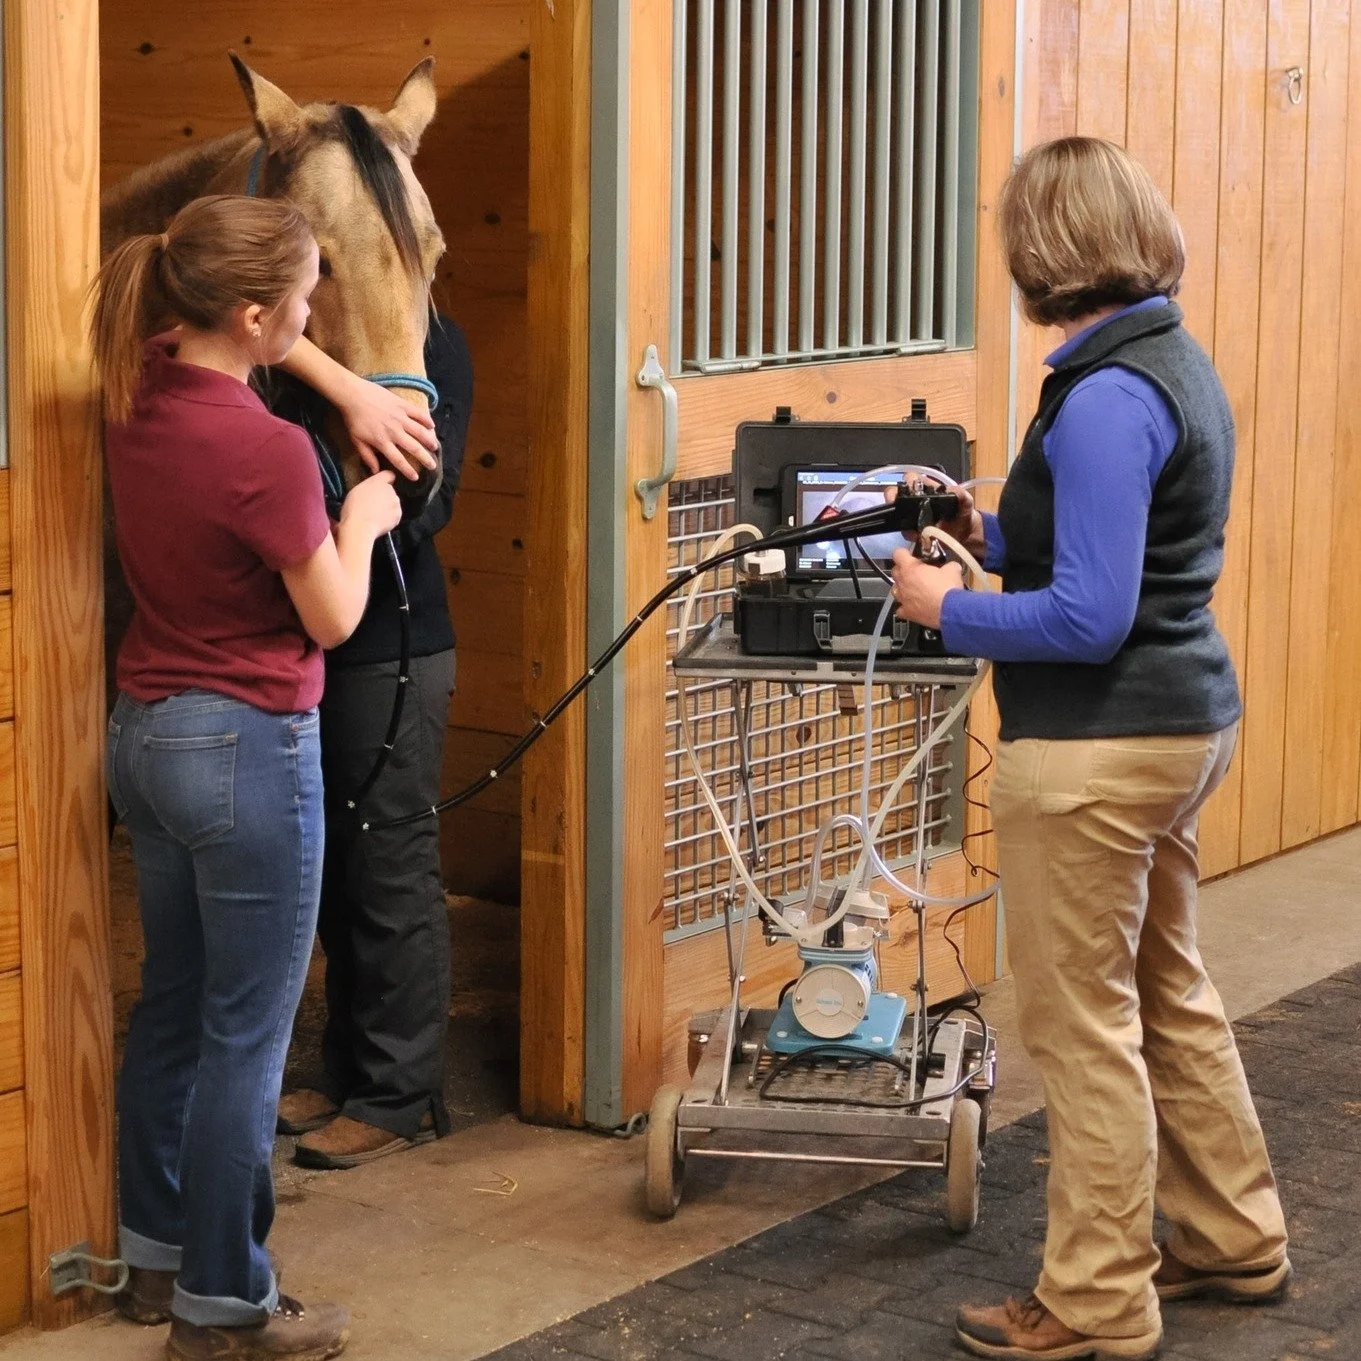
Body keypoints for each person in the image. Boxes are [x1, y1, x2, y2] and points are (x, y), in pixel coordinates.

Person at [891, 138, 1289, 1361]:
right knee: (1165, 991)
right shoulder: (1157, 358)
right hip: (1174, 729)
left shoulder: (1108, 395)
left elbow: (1091, 614)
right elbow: (1117, 554)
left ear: (1042, 253)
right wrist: (990, 526)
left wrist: (942, 607)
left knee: (1081, 1028)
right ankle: (1230, 1234)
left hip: (1101, 749)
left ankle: (1098, 1298)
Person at [93, 193, 430, 1361]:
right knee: (249, 1036)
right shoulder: (265, 445)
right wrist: (365, 508)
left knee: (175, 1010)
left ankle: (153, 1257)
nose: (313, 310)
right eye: (302, 297)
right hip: (244, 745)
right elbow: (332, 617)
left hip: (145, 733)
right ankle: (227, 1307)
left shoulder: (135, 385)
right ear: (252, 315)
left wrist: (330, 379)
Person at [271, 312, 472, 1168]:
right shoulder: (290, 349)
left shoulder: (433, 344)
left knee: (388, 862)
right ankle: (349, 1069)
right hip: (305, 642)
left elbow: (426, 495)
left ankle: (400, 1094)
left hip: (392, 642)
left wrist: (316, 529)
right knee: (331, 872)